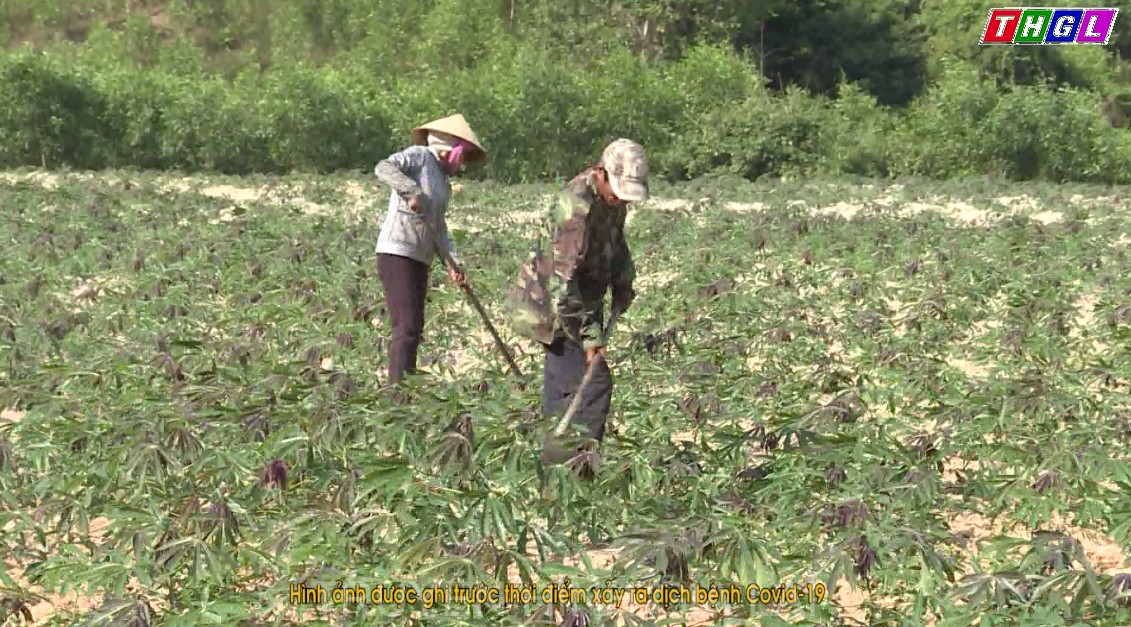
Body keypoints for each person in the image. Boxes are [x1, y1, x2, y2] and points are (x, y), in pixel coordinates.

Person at [506, 138, 649, 471]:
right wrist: (590, 337)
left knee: (564, 388)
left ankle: (559, 471)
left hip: (583, 300)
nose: (621, 200)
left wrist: (623, 283)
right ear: (601, 173)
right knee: (593, 383)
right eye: (618, 191)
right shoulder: (575, 210)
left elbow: (615, 244)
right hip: (554, 309)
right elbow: (564, 286)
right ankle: (572, 470)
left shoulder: (612, 201)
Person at [373, 113, 487, 387]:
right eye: (462, 155)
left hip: (420, 256)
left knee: (414, 328)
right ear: (450, 149)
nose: (462, 164)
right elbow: (383, 167)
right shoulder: (420, 156)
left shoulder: (444, 184)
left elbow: (440, 228)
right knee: (407, 327)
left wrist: (453, 264)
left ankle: (406, 388)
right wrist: (412, 191)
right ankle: (397, 393)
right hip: (398, 250)